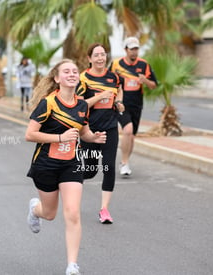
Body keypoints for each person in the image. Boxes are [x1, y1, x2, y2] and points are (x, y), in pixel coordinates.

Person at [25, 59, 107, 275]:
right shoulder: (48, 103)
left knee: (72, 213)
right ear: (57, 78)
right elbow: (30, 134)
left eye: (74, 71)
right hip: (45, 164)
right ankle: (35, 210)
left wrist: (94, 137)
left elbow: (83, 132)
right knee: (50, 213)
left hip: (71, 164)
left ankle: (72, 265)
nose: (72, 74)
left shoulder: (82, 105)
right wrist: (59, 137)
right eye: (66, 71)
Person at [76, 43, 124, 224]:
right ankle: (67, 185)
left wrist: (118, 103)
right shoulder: (83, 78)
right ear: (89, 59)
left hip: (110, 127)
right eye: (96, 55)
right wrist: (98, 97)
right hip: (88, 129)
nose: (100, 58)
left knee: (109, 167)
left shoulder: (114, 77)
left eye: (103, 54)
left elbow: (119, 91)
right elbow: (80, 105)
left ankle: (104, 210)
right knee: (89, 171)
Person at [108, 37, 158, 176]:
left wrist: (145, 80)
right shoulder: (116, 64)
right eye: (132, 49)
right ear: (125, 50)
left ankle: (125, 161)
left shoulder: (144, 65)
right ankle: (124, 163)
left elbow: (154, 85)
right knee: (128, 130)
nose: (134, 52)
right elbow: (107, 80)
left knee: (131, 136)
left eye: (136, 49)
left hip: (137, 104)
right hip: (121, 104)